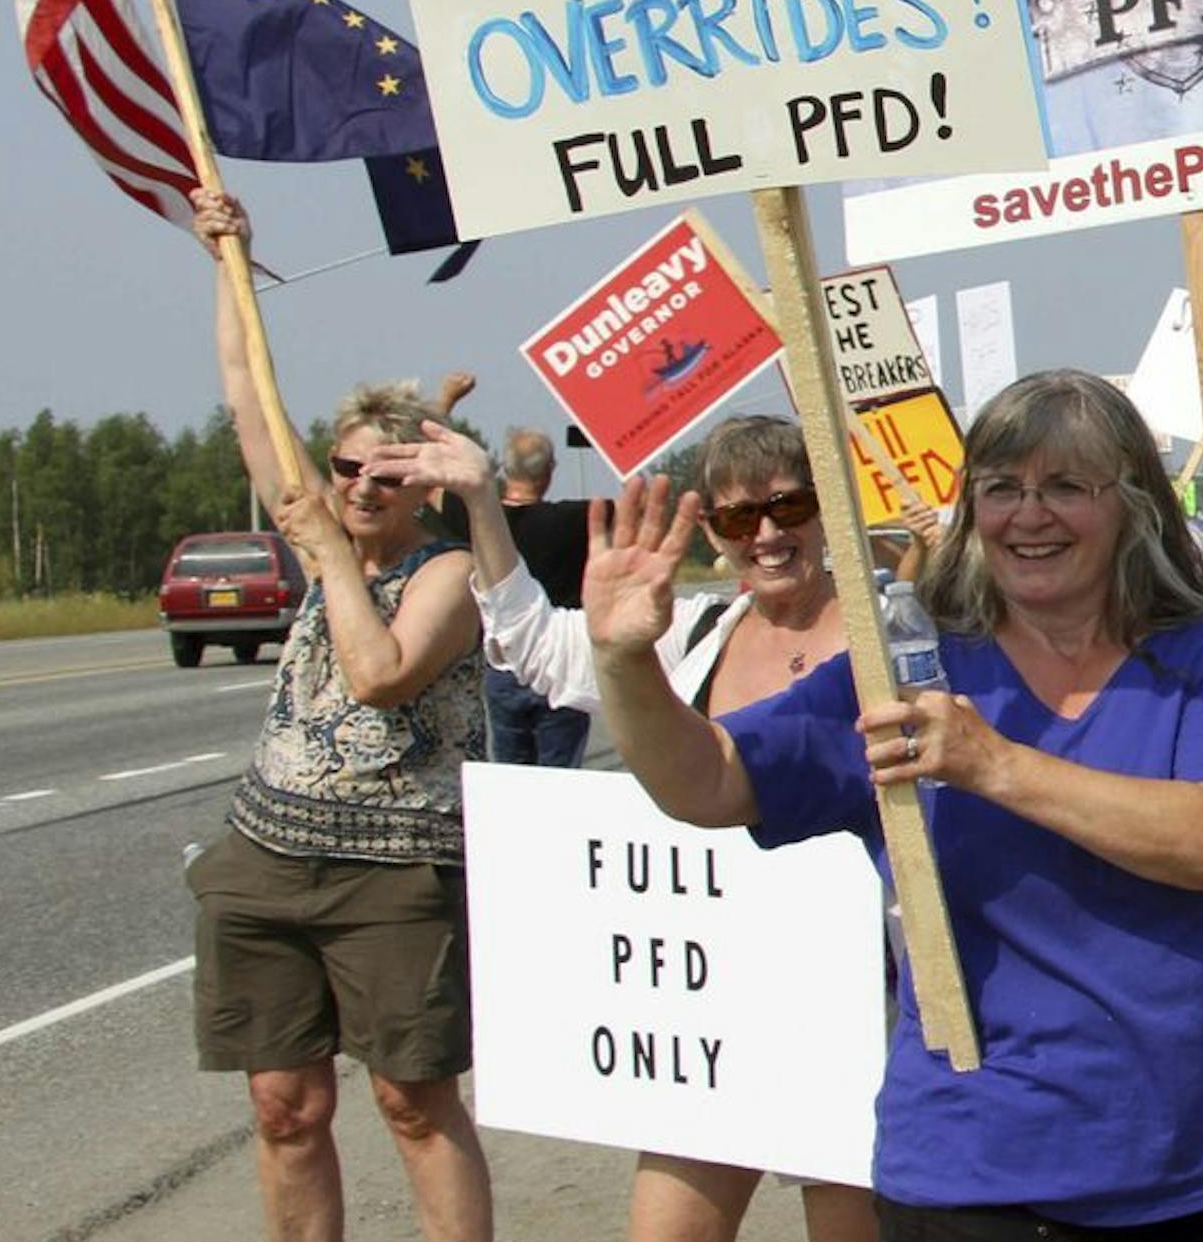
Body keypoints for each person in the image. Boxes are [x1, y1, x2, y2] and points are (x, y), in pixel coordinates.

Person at [563, 371, 1203, 1239]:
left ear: (1132, 501)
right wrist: (623, 662)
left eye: (1065, 487)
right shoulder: (908, 660)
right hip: (968, 1167)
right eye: (1001, 489)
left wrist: (997, 766)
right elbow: (707, 782)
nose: (1029, 516)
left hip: (1185, 1166)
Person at [369, 413, 880, 1242]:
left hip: (859, 1010)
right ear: (713, 531)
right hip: (714, 1001)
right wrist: (480, 504)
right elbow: (537, 648)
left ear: (827, 507)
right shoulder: (692, 635)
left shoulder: (895, 631)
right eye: (741, 518)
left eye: (789, 508)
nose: (770, 536)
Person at [181, 189, 492, 1242]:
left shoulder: (447, 574)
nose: (357, 485)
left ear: (422, 484)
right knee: (284, 1106)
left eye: (385, 472)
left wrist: (325, 554)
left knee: (413, 1102)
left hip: (395, 876)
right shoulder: (315, 520)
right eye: (345, 464)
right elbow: (242, 393)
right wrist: (233, 258)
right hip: (267, 856)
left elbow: (381, 674)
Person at [484, 426, 595, 768]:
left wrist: (445, 401)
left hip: (504, 661)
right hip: (560, 663)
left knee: (509, 778)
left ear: (506, 470)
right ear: (548, 472)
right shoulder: (576, 519)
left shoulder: (485, 523)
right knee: (560, 779)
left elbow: (430, 490)